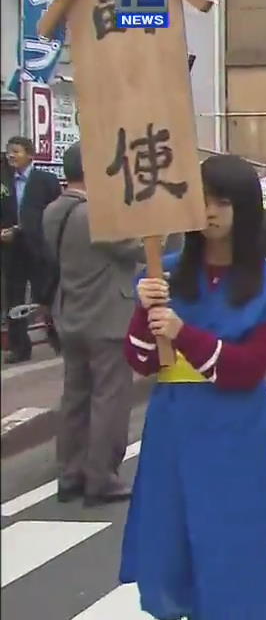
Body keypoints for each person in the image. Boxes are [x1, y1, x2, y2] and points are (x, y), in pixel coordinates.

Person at [121, 154, 266, 620]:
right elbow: (140, 359)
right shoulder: (162, 272)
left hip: (234, 425)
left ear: (244, 209)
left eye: (221, 202)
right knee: (168, 535)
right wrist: (146, 312)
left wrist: (182, 330)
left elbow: (248, 369)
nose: (208, 212)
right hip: (171, 419)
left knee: (229, 541)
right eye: (199, 201)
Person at [42, 143, 142, 505]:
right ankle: (102, 476)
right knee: (110, 399)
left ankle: (70, 473)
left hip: (70, 313)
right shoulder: (99, 215)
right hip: (107, 316)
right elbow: (143, 250)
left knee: (75, 397)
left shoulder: (54, 210)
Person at [2, 135, 63, 362]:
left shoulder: (45, 180)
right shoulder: (3, 180)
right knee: (14, 298)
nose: (11, 155)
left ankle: (57, 337)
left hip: (39, 248)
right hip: (12, 250)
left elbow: (56, 211)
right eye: (9, 151)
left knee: (45, 295)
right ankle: (19, 347)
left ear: (29, 154)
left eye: (16, 151)